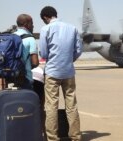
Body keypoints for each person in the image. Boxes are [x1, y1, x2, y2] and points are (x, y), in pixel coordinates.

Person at [39, 6, 83, 141]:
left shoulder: (45, 29)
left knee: (51, 105)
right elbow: (79, 50)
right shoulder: (72, 28)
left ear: (46, 17)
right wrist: (69, 60)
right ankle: (75, 136)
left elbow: (44, 53)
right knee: (72, 104)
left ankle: (52, 138)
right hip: (69, 72)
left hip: (52, 72)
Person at [14, 14, 39, 89]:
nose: (33, 26)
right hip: (26, 79)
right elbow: (35, 62)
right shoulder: (30, 39)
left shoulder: (11, 36)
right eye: (32, 23)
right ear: (26, 24)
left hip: (10, 78)